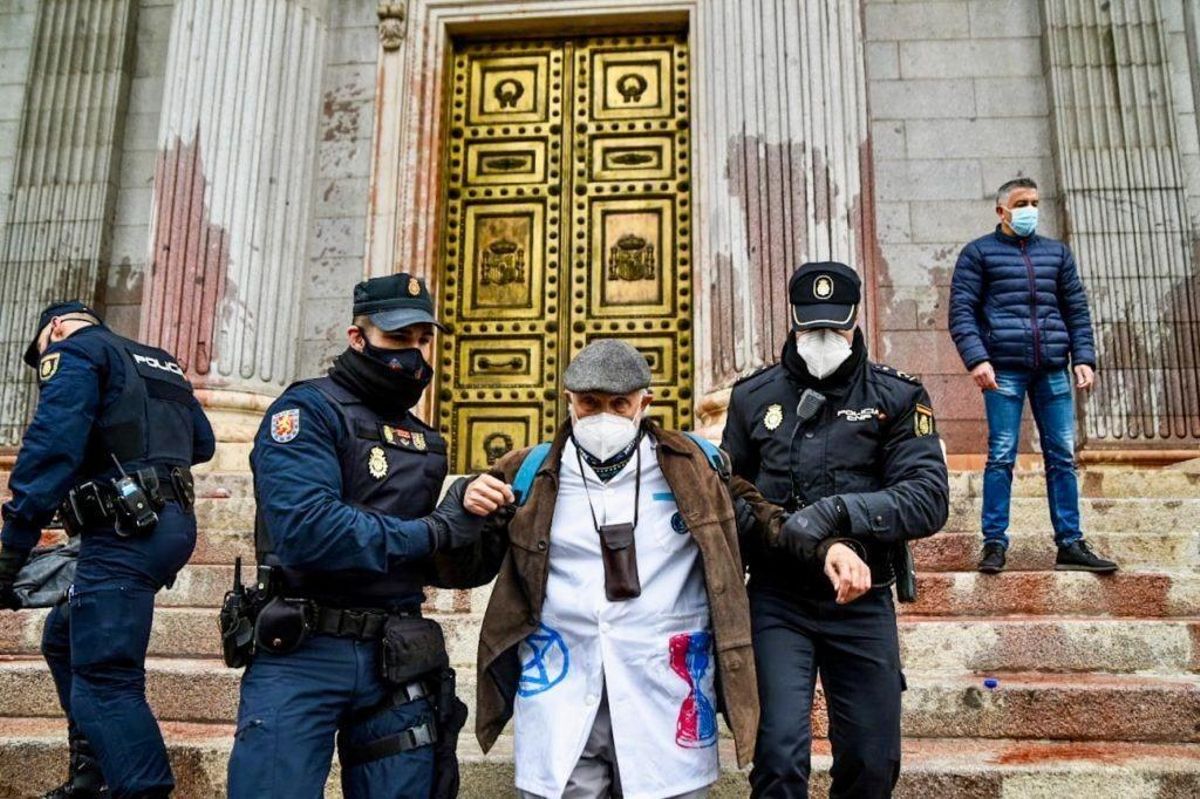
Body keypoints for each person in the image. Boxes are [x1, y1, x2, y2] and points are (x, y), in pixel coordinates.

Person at [436, 338, 874, 799]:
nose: (602, 416)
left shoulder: (697, 466)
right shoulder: (527, 471)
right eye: (589, 403)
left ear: (645, 402)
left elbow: (767, 524)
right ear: (568, 401)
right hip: (562, 686)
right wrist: (462, 507)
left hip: (666, 686)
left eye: (618, 403)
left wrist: (826, 549)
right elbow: (461, 567)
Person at [224, 274, 511, 799]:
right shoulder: (305, 412)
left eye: (423, 340)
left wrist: (479, 521)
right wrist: (434, 530)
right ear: (357, 338)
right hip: (305, 649)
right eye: (399, 340)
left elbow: (435, 562)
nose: (415, 356)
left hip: (396, 655)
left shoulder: (425, 441)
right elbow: (308, 529)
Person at [721, 262, 951, 798]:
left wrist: (838, 514)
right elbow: (729, 495)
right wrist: (802, 539)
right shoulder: (754, 397)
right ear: (793, 321)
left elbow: (927, 497)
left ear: (856, 321)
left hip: (863, 597)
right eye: (811, 326)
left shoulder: (897, 397)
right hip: (779, 596)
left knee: (872, 761)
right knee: (776, 755)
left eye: (835, 326)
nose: (823, 338)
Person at [0, 301, 215, 799]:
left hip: (125, 531)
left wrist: (13, 546)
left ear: (54, 329)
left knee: (105, 680)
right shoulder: (157, 358)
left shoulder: (75, 350)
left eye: (41, 354)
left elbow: (52, 444)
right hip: (171, 525)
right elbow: (201, 443)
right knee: (64, 635)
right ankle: (92, 773)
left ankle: (142, 788)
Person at [949, 177, 1117, 574]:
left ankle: (1071, 543)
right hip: (1003, 368)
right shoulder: (978, 254)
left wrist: (1085, 357)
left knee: (1061, 455)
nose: (1030, 210)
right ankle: (994, 544)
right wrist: (977, 359)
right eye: (1021, 203)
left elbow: (1076, 309)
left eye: (1034, 203)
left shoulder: (1056, 254)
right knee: (1002, 455)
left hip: (1053, 369)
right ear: (1001, 211)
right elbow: (961, 312)